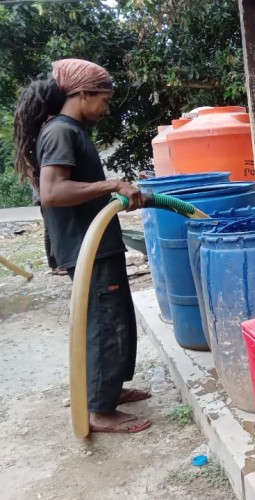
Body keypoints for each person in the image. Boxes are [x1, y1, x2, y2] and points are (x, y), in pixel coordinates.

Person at [12, 58, 150, 433]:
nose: (107, 108)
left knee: (115, 318)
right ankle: (99, 412)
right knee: (105, 324)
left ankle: (108, 390)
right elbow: (53, 191)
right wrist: (113, 185)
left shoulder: (72, 130)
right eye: (104, 99)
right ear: (83, 94)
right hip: (86, 246)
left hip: (99, 243)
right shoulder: (60, 131)